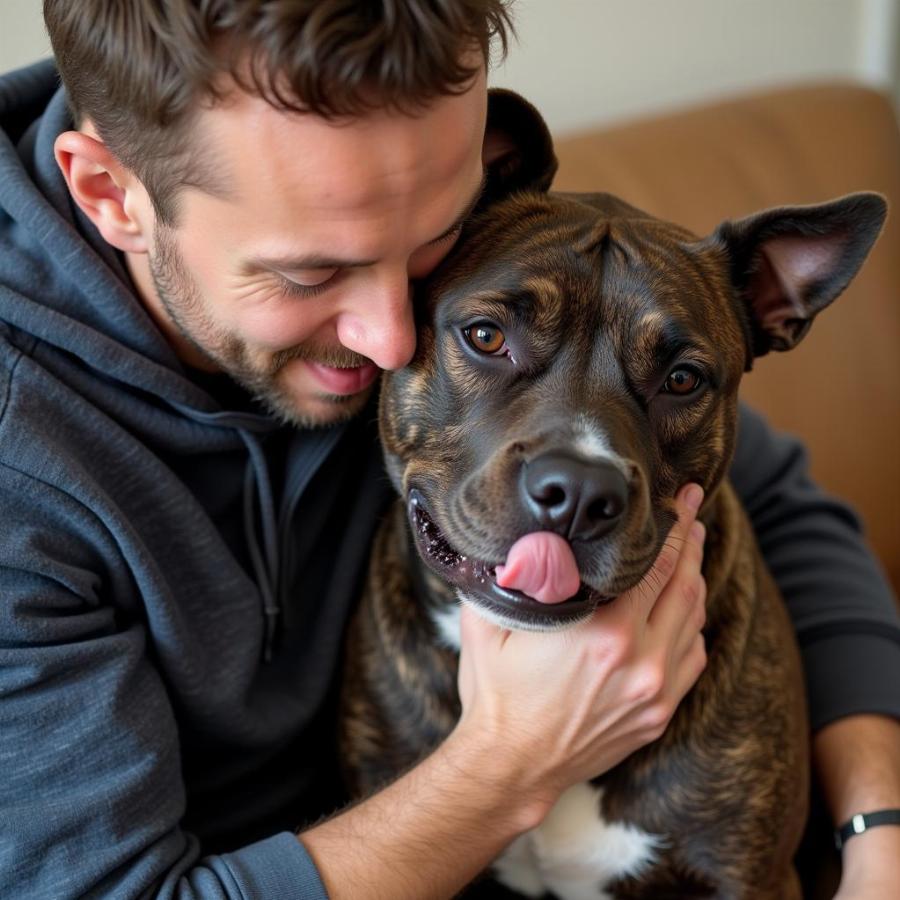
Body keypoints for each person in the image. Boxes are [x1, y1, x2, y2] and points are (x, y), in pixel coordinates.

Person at [0, 2, 897, 898]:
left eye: (434, 248)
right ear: (115, 195)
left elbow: (772, 497)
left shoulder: (493, 268)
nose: (394, 339)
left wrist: (879, 832)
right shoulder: (22, 478)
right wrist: (514, 760)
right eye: (314, 272)